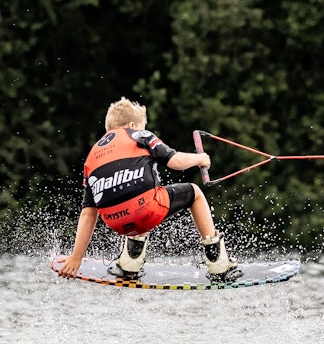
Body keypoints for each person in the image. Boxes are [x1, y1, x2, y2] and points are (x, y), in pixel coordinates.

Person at [56, 97, 239, 281]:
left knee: (138, 193)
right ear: (132, 124)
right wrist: (200, 159)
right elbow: (174, 161)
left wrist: (76, 257)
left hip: (115, 223)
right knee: (194, 193)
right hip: (146, 211)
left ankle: (129, 264)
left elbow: (88, 213)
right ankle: (218, 265)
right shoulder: (139, 135)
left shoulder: (91, 156)